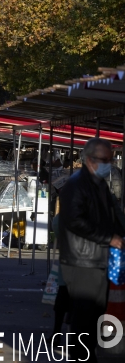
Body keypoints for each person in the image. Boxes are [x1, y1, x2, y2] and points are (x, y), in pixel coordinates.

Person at [59, 138, 125, 362]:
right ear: (89, 160)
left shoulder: (99, 184)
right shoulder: (76, 185)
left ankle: (87, 356)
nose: (109, 164)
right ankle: (81, 357)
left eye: (111, 159)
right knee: (84, 319)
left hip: (97, 260)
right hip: (82, 260)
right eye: (104, 160)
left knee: (95, 316)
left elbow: (114, 216)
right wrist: (109, 238)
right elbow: (74, 221)